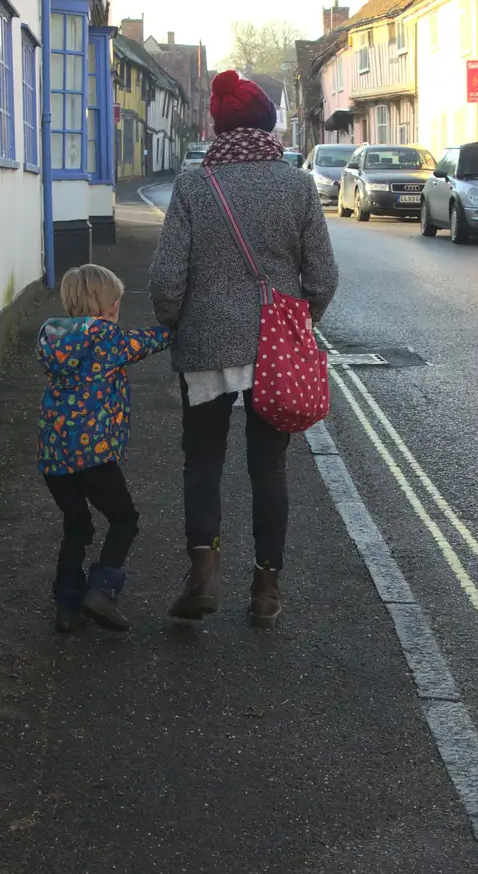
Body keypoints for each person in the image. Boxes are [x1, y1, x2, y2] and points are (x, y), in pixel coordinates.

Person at [148, 71, 339, 628]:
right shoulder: (297, 186)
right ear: (268, 125)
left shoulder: (192, 187)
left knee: (203, 461)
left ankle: (203, 576)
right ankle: (265, 590)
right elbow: (322, 277)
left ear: (218, 126)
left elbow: (165, 280)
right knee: (269, 469)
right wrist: (299, 325)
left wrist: (175, 324)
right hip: (275, 349)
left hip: (206, 346)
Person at [38, 264, 173, 632]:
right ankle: (101, 589)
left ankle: (65, 607)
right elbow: (145, 342)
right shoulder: (107, 339)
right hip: (93, 455)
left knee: (77, 525)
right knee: (124, 519)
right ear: (111, 306)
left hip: (54, 456)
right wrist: (174, 328)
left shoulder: (53, 338)